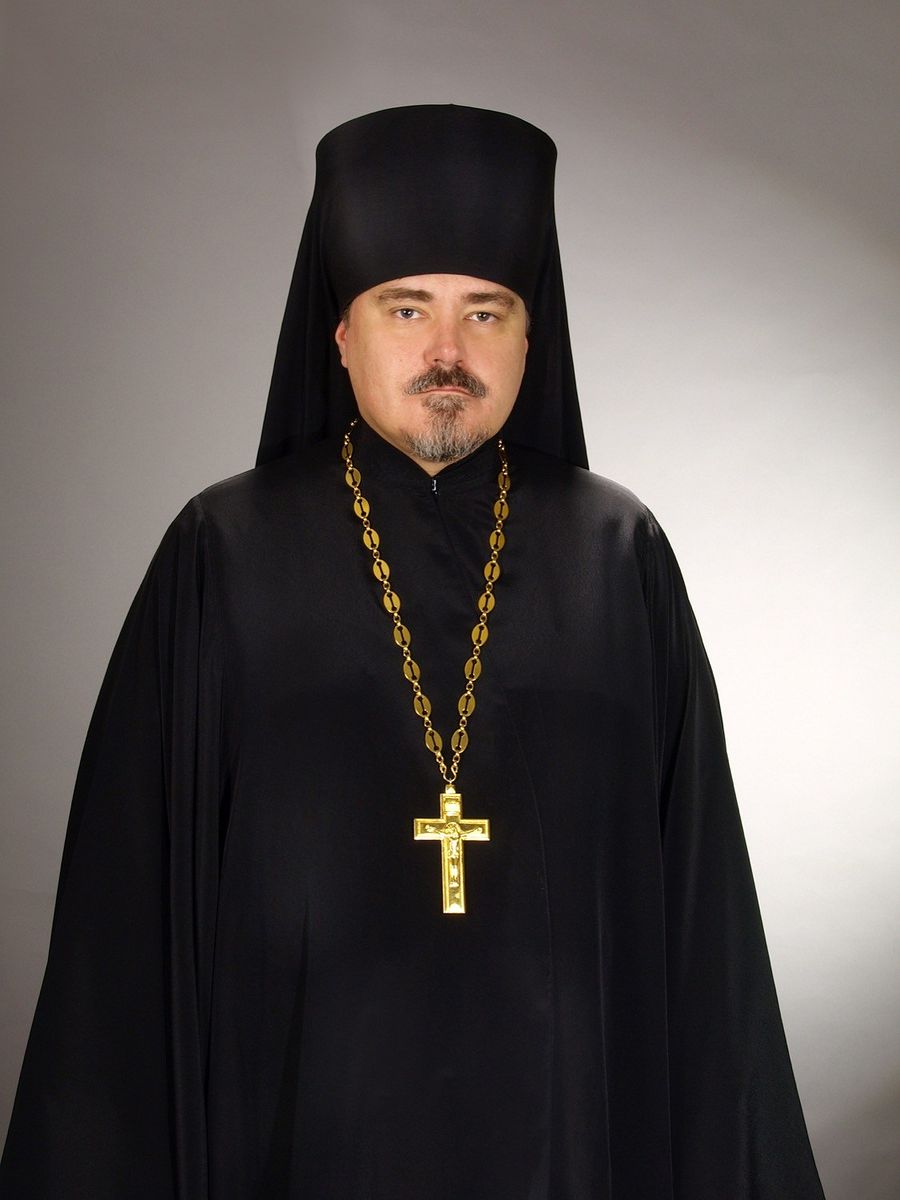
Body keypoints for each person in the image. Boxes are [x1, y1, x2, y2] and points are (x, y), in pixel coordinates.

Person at [1, 104, 825, 1198]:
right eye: (407, 309)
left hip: (567, 1142)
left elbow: (701, 922)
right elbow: (123, 935)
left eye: (486, 313)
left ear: (530, 338)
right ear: (341, 334)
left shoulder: (618, 553)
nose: (448, 353)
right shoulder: (223, 554)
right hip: (297, 1137)